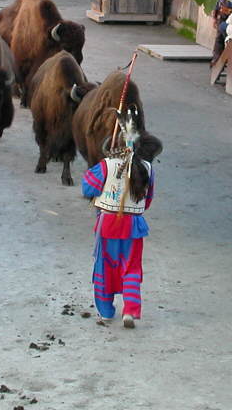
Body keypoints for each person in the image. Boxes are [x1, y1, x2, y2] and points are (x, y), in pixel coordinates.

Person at [81, 134, 160, 328]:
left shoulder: (106, 165)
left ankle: (106, 312)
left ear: (114, 146)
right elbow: (147, 201)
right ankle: (130, 311)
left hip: (108, 224)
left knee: (104, 268)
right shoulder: (148, 168)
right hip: (134, 226)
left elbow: (87, 188)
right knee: (131, 268)